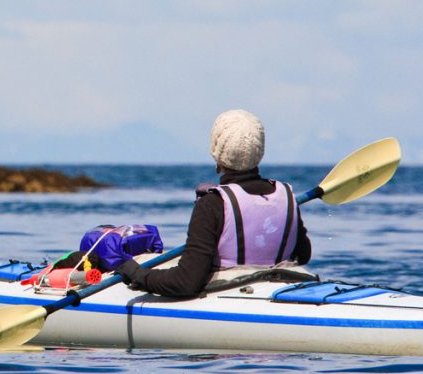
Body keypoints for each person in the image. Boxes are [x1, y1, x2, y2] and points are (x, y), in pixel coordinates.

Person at [116, 109, 311, 298]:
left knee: (142, 263)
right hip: (279, 285)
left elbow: (186, 282)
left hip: (230, 289)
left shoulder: (213, 203)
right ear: (260, 150)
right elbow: (303, 255)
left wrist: (137, 274)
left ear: (218, 152)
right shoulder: (286, 196)